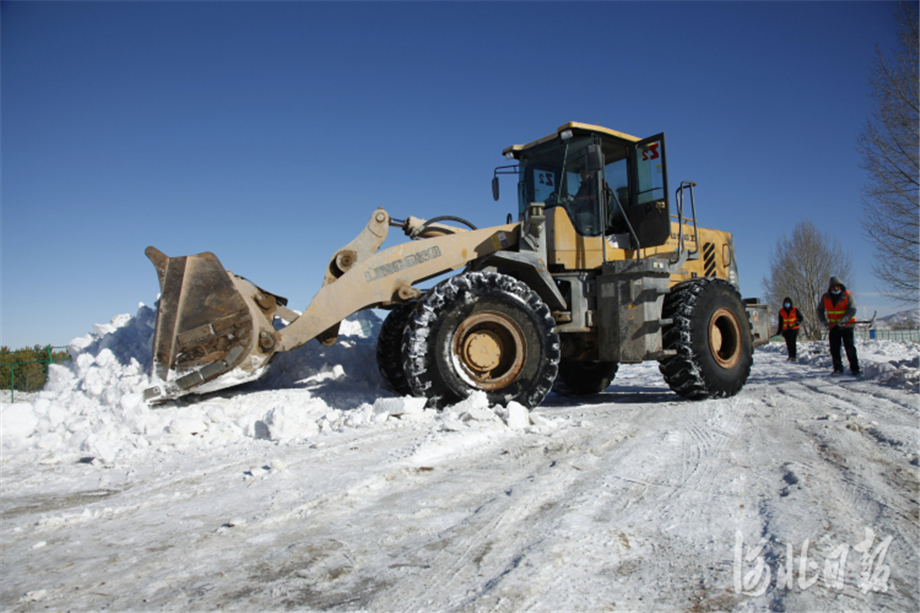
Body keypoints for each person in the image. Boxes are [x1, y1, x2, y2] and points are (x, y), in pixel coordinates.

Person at [817, 276, 860, 376]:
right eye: (834, 287)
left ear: (841, 286)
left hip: (847, 325)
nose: (836, 288)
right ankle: (838, 368)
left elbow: (852, 309)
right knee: (834, 348)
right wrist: (823, 320)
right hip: (833, 326)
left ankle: (855, 368)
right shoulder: (826, 297)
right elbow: (820, 309)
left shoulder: (848, 295)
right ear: (830, 287)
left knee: (849, 347)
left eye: (838, 286)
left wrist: (844, 319)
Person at [776, 297, 803, 362]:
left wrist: (798, 322)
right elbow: (781, 322)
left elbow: (801, 317)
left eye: (788, 303)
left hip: (794, 329)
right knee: (788, 343)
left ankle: (793, 356)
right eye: (786, 303)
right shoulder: (781, 311)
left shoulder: (795, 309)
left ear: (790, 303)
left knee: (792, 343)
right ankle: (790, 356)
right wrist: (779, 331)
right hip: (786, 330)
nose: (787, 304)